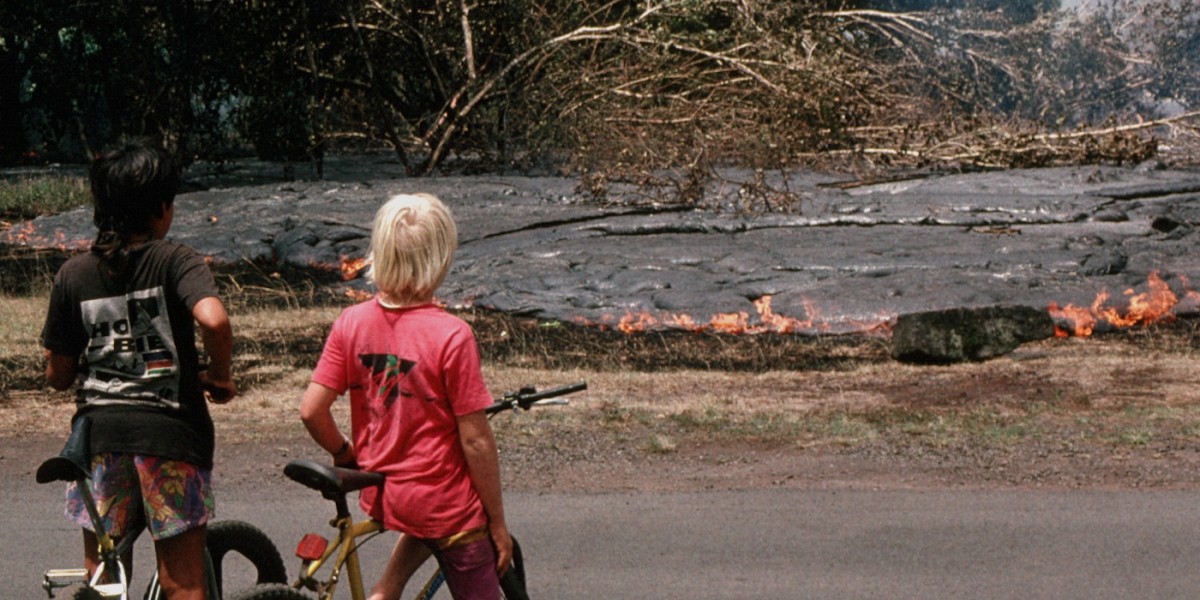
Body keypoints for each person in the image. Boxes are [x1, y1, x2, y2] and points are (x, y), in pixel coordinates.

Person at [41, 137, 236, 600]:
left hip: (98, 442)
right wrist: (220, 374)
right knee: (183, 582)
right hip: (169, 438)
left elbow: (58, 375)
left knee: (105, 579)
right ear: (162, 209)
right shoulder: (176, 261)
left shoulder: (74, 274)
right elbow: (214, 318)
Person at [300, 192, 511, 600]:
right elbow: (476, 440)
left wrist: (345, 454)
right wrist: (497, 523)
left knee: (396, 575)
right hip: (443, 501)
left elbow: (311, 411)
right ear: (440, 258)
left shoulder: (351, 323)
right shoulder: (453, 335)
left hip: (383, 491)